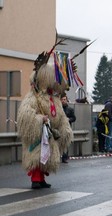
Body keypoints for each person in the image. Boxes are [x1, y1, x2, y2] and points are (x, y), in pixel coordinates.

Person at [17, 48, 74, 189]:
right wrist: (39, 119)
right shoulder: (33, 97)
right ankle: (36, 179)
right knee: (36, 156)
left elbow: (61, 116)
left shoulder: (55, 99)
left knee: (46, 157)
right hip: (38, 134)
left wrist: (64, 127)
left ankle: (41, 178)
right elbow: (25, 114)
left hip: (50, 134)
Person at [61, 95, 76, 163]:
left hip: (67, 128)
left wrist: (69, 119)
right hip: (59, 128)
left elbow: (74, 118)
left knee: (66, 143)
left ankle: (65, 157)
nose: (63, 101)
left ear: (67, 100)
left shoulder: (70, 109)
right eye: (62, 99)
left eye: (64, 99)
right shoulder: (59, 109)